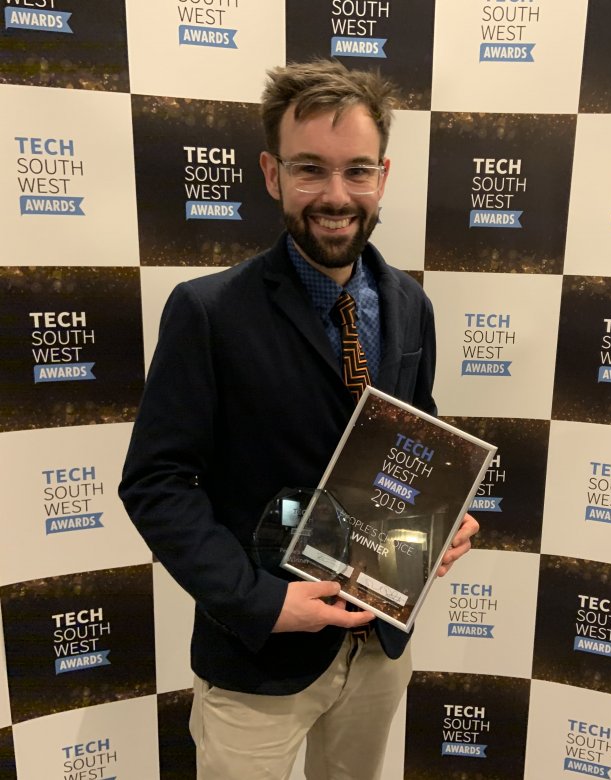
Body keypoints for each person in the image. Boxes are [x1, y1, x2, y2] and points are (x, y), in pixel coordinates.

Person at [119, 58, 478, 780]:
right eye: (310, 169)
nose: (336, 195)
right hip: (258, 658)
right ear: (272, 173)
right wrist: (262, 603)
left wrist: (441, 516)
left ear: (384, 174)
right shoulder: (208, 312)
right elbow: (156, 482)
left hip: (378, 646)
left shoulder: (411, 305)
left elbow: (415, 440)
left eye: (357, 170)